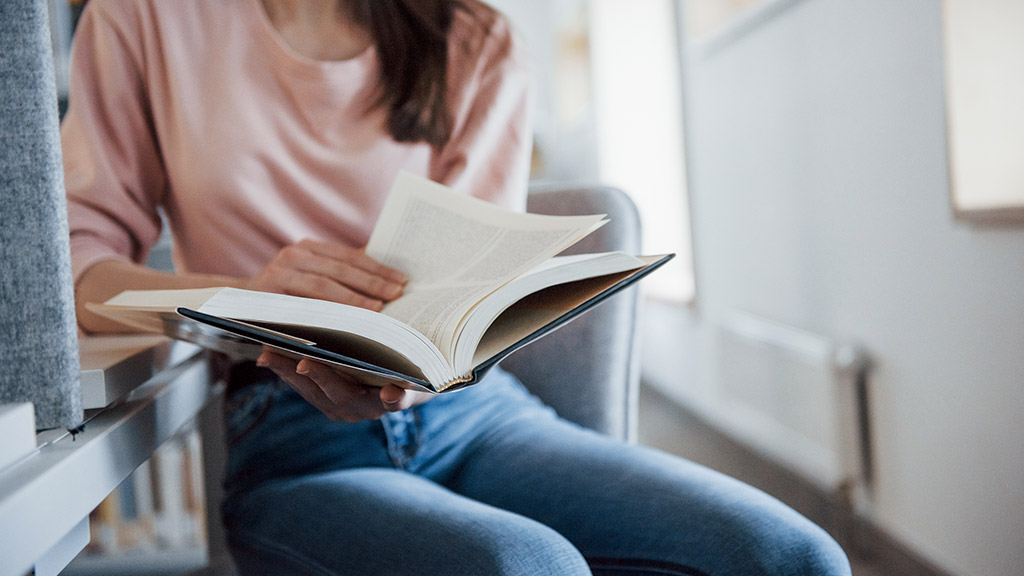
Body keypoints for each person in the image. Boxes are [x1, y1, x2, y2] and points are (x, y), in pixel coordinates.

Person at [62, 1, 853, 574]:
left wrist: (420, 366)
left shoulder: (474, 38)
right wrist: (247, 296)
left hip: (477, 417)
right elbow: (79, 270)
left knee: (793, 556)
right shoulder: (142, 18)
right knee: (526, 567)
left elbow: (469, 286)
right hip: (294, 437)